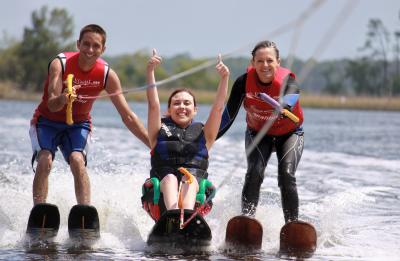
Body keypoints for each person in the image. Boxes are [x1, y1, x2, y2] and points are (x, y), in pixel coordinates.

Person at [29, 24, 149, 206]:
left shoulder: (107, 74)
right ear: (78, 44)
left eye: (96, 46)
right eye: (86, 44)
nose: (90, 50)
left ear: (103, 49)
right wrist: (63, 98)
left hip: (78, 125)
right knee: (45, 160)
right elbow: (51, 104)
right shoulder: (59, 64)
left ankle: (84, 212)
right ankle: (39, 210)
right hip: (47, 122)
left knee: (78, 161)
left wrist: (153, 145)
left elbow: (128, 117)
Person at [217, 40, 304, 223]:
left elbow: (293, 93)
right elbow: (228, 117)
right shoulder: (243, 82)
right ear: (253, 63)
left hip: (289, 134)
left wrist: (284, 104)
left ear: (278, 62)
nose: (265, 65)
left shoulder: (287, 80)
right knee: (254, 172)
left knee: (286, 174)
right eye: (260, 61)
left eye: (270, 61)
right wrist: (209, 140)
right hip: (258, 133)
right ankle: (247, 221)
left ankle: (292, 225)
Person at [145, 49, 229, 212]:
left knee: (188, 179)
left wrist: (224, 78)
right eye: (176, 103)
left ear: (195, 110)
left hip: (193, 186)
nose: (182, 107)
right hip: (163, 191)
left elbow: (218, 108)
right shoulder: (158, 130)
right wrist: (150, 71)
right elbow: (153, 105)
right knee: (170, 178)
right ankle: (173, 215)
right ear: (168, 110)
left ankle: (187, 215)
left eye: (187, 103)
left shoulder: (205, 133)